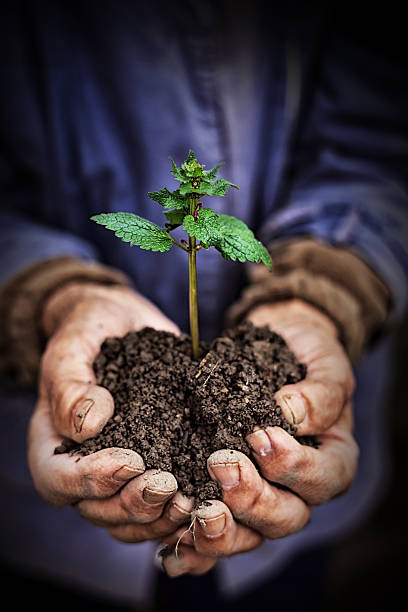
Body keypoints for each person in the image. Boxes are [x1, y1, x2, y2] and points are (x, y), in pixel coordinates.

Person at [0, 2, 407, 610]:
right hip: (37, 531)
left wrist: (326, 291)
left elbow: (382, 130)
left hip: (293, 531)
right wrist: (49, 294)